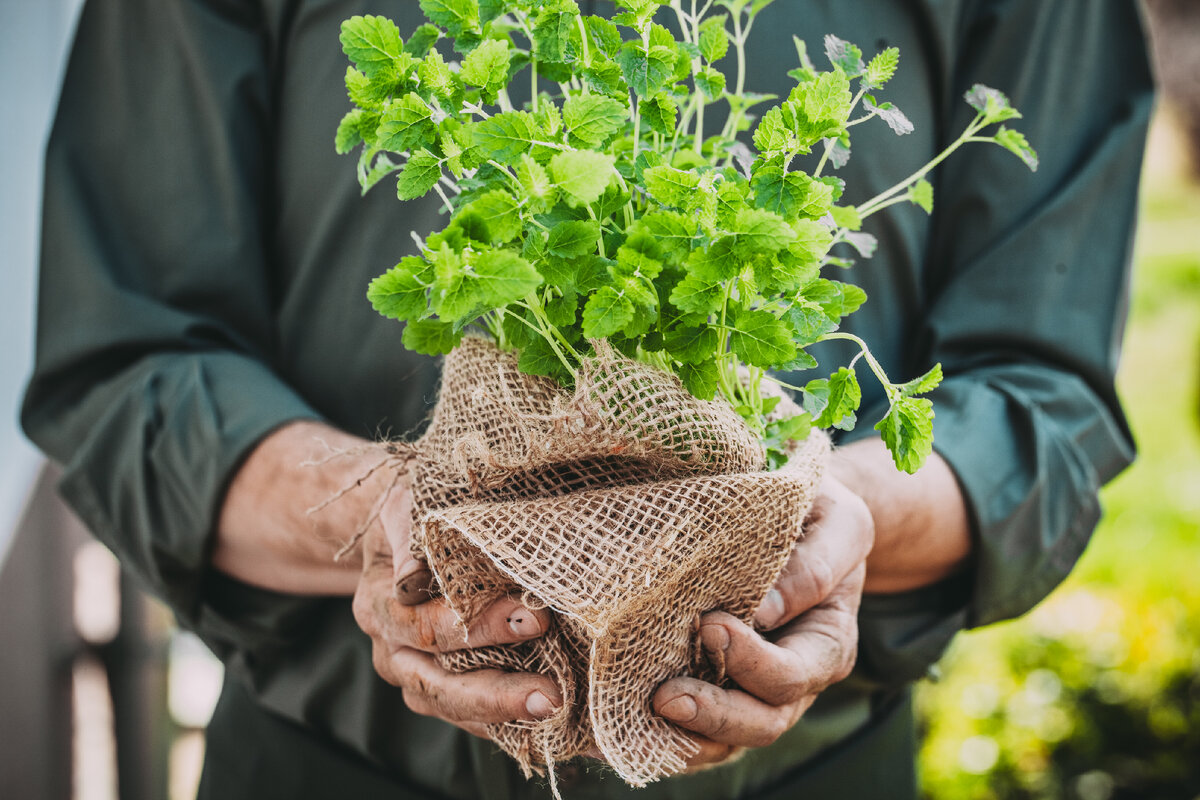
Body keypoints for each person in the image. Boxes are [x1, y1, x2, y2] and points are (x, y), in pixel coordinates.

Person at [21, 0, 1153, 797]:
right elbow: (130, 365)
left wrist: (829, 522)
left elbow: (1038, 404)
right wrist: (382, 516)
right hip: (330, 769)